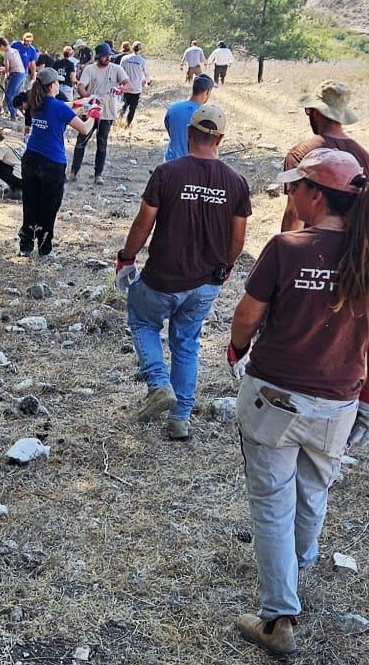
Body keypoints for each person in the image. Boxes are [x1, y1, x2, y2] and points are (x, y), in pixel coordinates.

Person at [228, 148, 369, 657]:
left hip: (273, 397)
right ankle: (297, 563)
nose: (290, 195)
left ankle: (278, 612)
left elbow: (245, 316)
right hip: (337, 402)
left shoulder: (287, 247)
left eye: (295, 187)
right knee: (313, 490)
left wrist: (237, 349)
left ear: (316, 194)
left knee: (271, 501)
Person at [116, 105, 251, 439]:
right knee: (187, 343)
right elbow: (238, 240)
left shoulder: (167, 173)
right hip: (205, 282)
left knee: (143, 321)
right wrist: (225, 267)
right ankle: (180, 420)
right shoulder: (236, 182)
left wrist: (127, 257)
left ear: (189, 133)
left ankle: (159, 383)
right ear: (220, 138)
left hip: (162, 277)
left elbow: (143, 224)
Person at [281, 80, 369, 232]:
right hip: (355, 251)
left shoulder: (301, 154)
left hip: (314, 249)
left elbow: (294, 214)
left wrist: (286, 250)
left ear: (316, 112)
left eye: (308, 111)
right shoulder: (368, 161)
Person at [19, 68, 96, 257]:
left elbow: (63, 106)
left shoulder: (35, 102)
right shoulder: (58, 107)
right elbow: (85, 129)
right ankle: (44, 247)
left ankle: (26, 245)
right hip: (52, 163)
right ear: (53, 85)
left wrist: (81, 102)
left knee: (30, 203)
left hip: (30, 159)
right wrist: (94, 113)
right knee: (49, 206)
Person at [70, 42, 130, 185]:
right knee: (81, 141)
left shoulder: (116, 69)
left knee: (102, 143)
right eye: (104, 56)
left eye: (109, 55)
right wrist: (89, 98)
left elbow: (128, 84)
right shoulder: (89, 69)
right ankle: (73, 172)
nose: (107, 58)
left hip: (107, 112)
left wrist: (120, 89)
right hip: (90, 111)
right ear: (98, 57)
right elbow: (81, 86)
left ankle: (98, 175)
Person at [163, 73, 215, 162]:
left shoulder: (173, 108)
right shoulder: (207, 115)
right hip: (193, 166)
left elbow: (169, 130)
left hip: (170, 162)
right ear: (207, 91)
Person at [118, 41, 151, 128]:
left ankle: (118, 121)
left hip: (126, 86)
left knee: (124, 105)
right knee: (132, 108)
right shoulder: (142, 61)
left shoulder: (125, 58)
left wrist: (119, 83)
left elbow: (120, 70)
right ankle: (128, 124)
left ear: (132, 48)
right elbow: (147, 73)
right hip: (136, 88)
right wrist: (148, 81)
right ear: (140, 49)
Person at [0, 37, 27, 120]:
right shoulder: (14, 51)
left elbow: (7, 69)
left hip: (16, 74)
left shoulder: (7, 54)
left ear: (2, 46)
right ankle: (16, 113)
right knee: (15, 95)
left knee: (9, 95)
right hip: (22, 74)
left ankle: (13, 114)